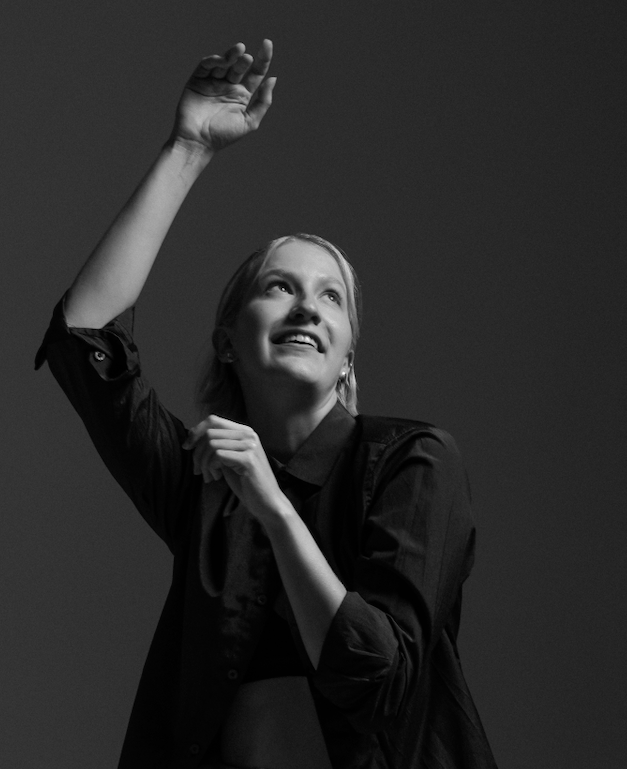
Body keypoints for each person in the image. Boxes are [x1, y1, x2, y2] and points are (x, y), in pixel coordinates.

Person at [35, 40, 497, 769]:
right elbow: (83, 340)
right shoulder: (202, 484)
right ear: (227, 341)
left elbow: (378, 677)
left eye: (331, 297)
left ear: (347, 360)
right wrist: (188, 148)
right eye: (280, 287)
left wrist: (274, 509)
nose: (307, 307)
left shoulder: (416, 464)